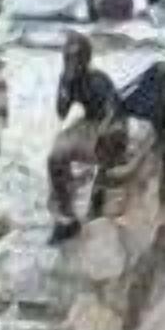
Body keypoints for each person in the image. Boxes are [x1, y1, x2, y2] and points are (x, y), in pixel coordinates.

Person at [45, 30, 126, 245]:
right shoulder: (69, 80)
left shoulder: (99, 80)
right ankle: (65, 215)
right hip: (89, 122)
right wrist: (65, 86)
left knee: (104, 146)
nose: (71, 63)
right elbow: (61, 112)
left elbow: (114, 111)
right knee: (55, 156)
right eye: (67, 59)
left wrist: (101, 132)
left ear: (85, 59)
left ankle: (98, 194)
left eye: (75, 59)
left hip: (109, 125)